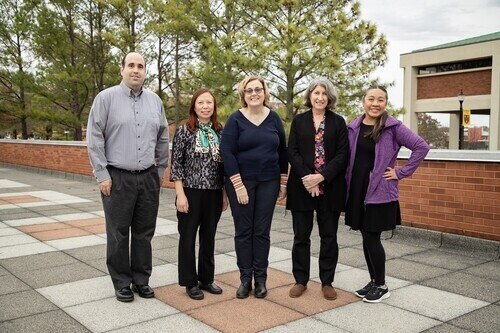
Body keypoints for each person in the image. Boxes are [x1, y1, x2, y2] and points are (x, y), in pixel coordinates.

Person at [86, 52, 169, 302]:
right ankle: (122, 281)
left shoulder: (155, 101)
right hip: (117, 177)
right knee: (118, 232)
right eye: (131, 65)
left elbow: (163, 137)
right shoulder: (106, 99)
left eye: (140, 66)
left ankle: (141, 279)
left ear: (145, 72)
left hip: (147, 177)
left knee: (144, 232)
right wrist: (102, 174)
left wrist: (160, 171)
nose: (136, 70)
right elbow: (94, 137)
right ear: (121, 69)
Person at [345, 86, 429, 303]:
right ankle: (374, 280)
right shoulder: (353, 126)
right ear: (363, 101)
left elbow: (421, 147)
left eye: (380, 100)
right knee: (365, 236)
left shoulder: (393, 128)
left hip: (379, 192)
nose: (375, 103)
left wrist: (401, 172)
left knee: (372, 237)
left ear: (385, 103)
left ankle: (382, 285)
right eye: (371, 99)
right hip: (357, 190)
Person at [221, 76, 288, 299]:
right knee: (243, 231)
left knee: (261, 231)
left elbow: (283, 152)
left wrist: (283, 183)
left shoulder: (274, 119)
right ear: (244, 95)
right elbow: (227, 153)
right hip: (242, 183)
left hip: (268, 182)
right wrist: (238, 186)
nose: (254, 94)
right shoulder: (235, 119)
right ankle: (244, 280)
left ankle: (260, 279)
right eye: (249, 90)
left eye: (258, 89)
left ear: (265, 93)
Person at [286, 78, 348, 300]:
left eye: (324, 93)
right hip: (302, 186)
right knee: (300, 237)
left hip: (330, 186)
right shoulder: (299, 120)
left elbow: (343, 155)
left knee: (328, 236)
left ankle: (327, 282)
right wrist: (307, 178)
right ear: (310, 96)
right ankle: (300, 280)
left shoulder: (338, 122)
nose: (320, 97)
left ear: (329, 98)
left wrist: (321, 177)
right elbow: (291, 151)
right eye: (316, 93)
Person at [170, 88, 228, 300]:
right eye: (201, 103)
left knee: (208, 237)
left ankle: (207, 279)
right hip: (190, 192)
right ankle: (189, 282)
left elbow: (223, 167)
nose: (205, 106)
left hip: (213, 193)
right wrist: (180, 194)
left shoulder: (219, 131)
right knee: (187, 237)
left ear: (214, 107)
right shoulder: (185, 130)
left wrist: (223, 193)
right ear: (194, 106)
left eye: (209, 103)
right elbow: (177, 164)